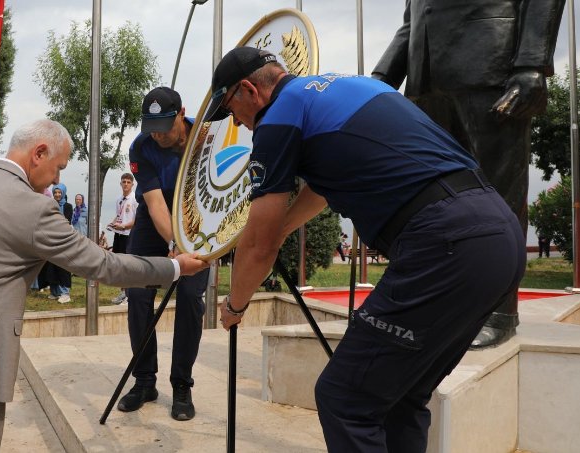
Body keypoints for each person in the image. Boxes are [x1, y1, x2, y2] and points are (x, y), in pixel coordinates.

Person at [208, 47, 525, 452]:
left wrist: (235, 305)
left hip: (446, 242)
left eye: (231, 109)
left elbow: (257, 244)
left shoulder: (278, 117)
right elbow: (321, 188)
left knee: (345, 398)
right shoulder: (348, 86)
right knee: (402, 396)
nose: (236, 122)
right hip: (499, 233)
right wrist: (285, 228)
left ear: (249, 90)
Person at [0, 119, 209, 453]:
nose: (56, 180)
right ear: (39, 153)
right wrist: (175, 267)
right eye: (59, 168)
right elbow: (103, 265)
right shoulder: (32, 207)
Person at [372, 0, 565, 348]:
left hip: (491, 66)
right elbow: (414, 18)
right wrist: (381, 79)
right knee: (432, 201)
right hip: (425, 78)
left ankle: (497, 312)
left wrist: (532, 64)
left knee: (499, 196)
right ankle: (439, 306)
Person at [118, 87, 211, 422]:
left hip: (197, 216)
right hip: (154, 217)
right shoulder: (141, 147)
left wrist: (191, 243)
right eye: (151, 127)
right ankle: (145, 380)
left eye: (164, 127)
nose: (157, 135)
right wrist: (174, 244)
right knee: (137, 292)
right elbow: (156, 203)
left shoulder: (207, 137)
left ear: (181, 114)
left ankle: (182, 384)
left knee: (189, 296)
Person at [109, 173, 138, 305]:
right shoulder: (118, 199)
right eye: (124, 182)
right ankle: (123, 292)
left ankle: (129, 294)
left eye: (128, 182)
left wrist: (124, 226)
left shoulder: (134, 199)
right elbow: (119, 215)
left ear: (132, 184)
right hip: (119, 234)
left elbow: (137, 220)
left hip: (129, 235)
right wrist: (113, 223)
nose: (126, 184)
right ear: (120, 184)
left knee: (128, 265)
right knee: (119, 265)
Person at [45, 184, 73, 303]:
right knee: (52, 266)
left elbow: (67, 221)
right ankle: (55, 292)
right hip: (52, 239)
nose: (57, 195)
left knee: (63, 265)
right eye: (55, 192)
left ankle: (65, 293)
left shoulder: (68, 206)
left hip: (63, 239)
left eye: (59, 192)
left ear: (63, 193)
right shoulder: (50, 205)